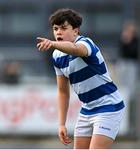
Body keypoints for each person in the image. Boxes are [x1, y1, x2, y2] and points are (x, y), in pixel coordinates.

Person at [36, 8, 125, 149]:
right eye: (55, 28)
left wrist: (52, 44)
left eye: (64, 28)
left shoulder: (85, 43)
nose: (58, 32)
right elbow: (63, 92)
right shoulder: (57, 56)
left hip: (109, 106)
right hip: (87, 109)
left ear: (76, 31)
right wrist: (61, 124)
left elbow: (76, 50)